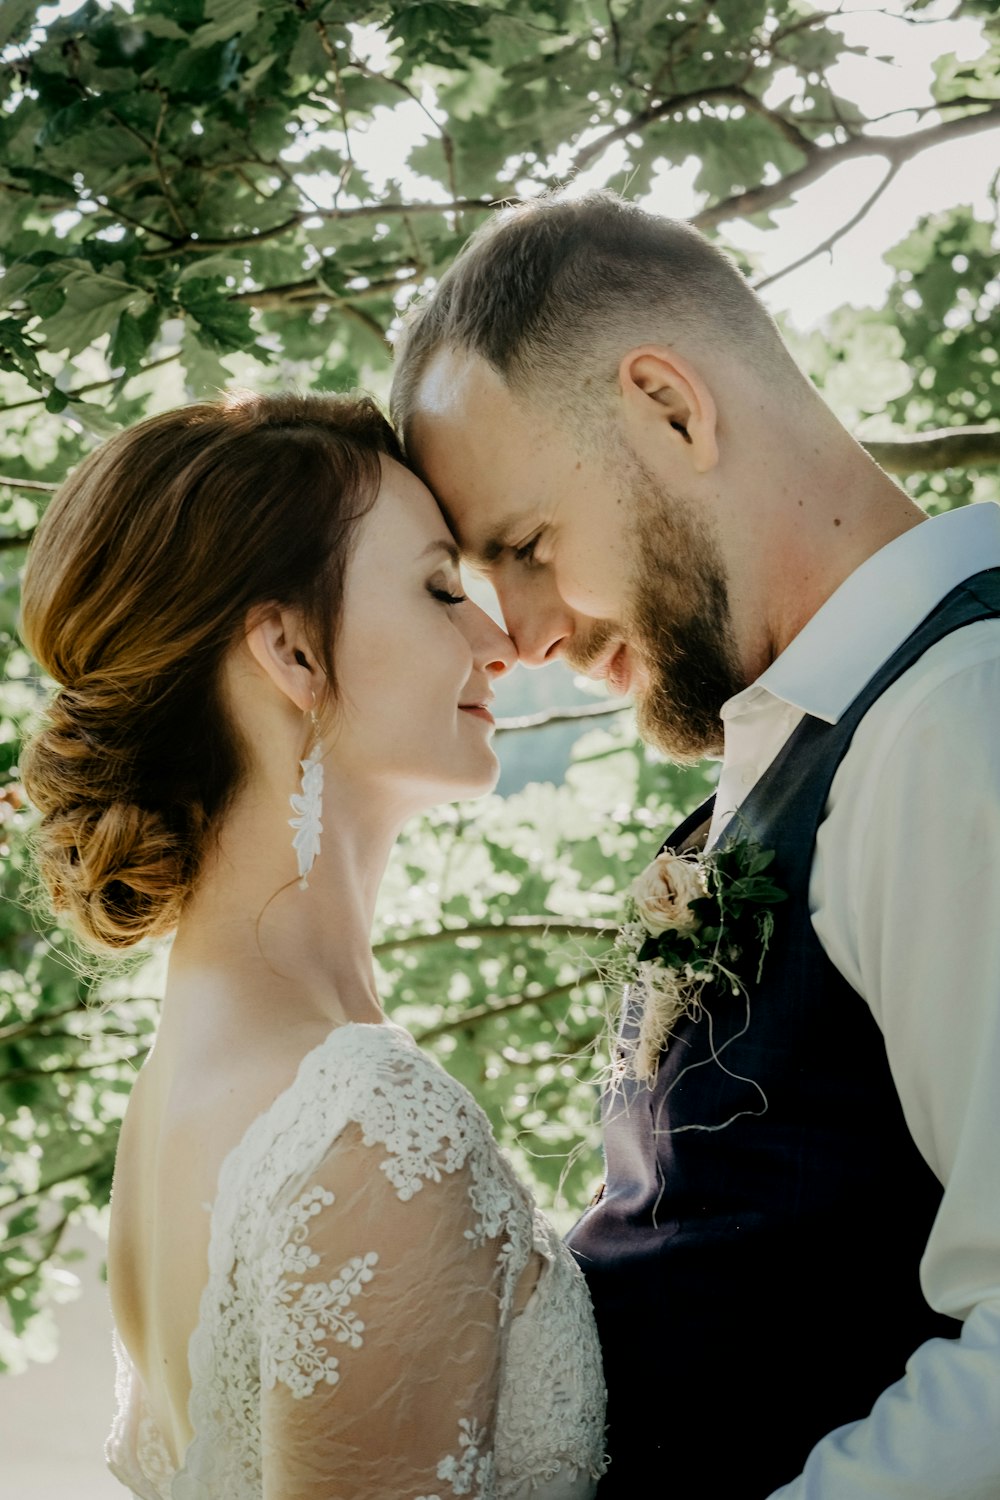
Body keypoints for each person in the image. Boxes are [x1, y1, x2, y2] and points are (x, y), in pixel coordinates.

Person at [390, 189, 1000, 1498]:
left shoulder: (958, 718)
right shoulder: (826, 733)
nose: (532, 635)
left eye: (530, 549)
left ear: (671, 408)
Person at [18, 391, 608, 1500]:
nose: (500, 639)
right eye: (441, 588)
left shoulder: (188, 1080)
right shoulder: (362, 1123)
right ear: (291, 649)